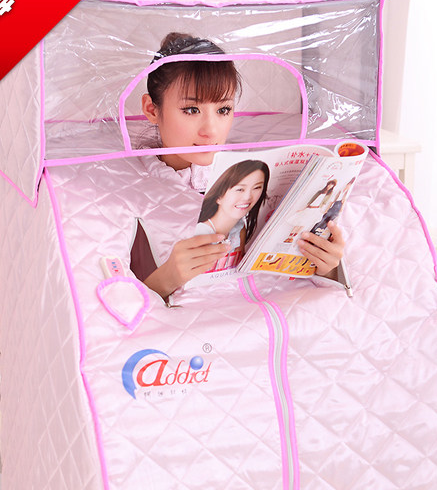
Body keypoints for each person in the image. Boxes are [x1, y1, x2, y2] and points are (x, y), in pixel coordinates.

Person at [136, 32, 345, 299]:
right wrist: (167, 278)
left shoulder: (249, 169)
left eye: (223, 110)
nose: (211, 130)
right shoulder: (130, 189)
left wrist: (327, 267)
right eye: (191, 110)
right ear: (152, 110)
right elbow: (113, 302)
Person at [194, 160, 269, 272]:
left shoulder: (239, 227)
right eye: (240, 189)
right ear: (218, 196)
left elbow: (237, 268)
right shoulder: (201, 232)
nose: (248, 197)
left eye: (257, 188)